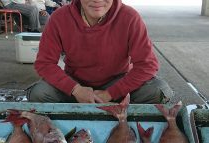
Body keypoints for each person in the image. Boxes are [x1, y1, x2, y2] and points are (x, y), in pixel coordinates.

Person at [27, 0, 174, 103]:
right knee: (39, 93)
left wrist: (110, 94)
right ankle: (97, 107)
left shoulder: (130, 17)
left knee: (160, 90)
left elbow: (147, 65)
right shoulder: (59, 18)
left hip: (117, 82)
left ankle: (115, 111)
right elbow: (45, 63)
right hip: (76, 83)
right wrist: (76, 90)